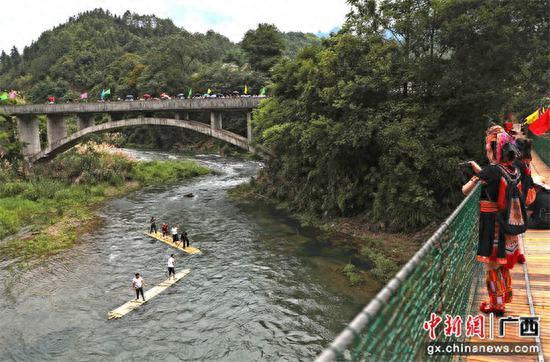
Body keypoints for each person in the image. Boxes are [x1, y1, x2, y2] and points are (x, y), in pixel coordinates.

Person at [463, 126, 524, 315]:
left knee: (491, 266)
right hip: (506, 223)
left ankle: (496, 305)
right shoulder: (513, 170)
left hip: (492, 224)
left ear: (495, 149)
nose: (487, 151)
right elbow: (495, 177)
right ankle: (503, 298)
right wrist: (480, 171)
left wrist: (474, 175)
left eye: (489, 148)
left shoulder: (491, 171)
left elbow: (465, 190)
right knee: (501, 264)